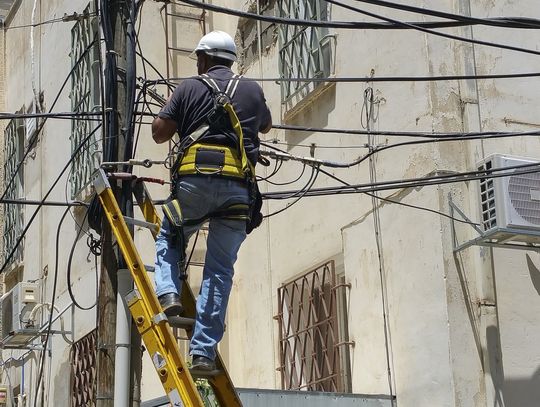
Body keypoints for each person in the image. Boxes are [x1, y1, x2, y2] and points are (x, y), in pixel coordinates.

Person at [151, 30, 272, 371]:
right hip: (238, 192)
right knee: (219, 272)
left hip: (194, 185)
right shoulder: (251, 89)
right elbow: (265, 126)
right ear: (231, 60)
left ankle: (169, 293)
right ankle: (203, 352)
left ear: (203, 59)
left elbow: (159, 133)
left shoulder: (189, 87)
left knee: (171, 234)